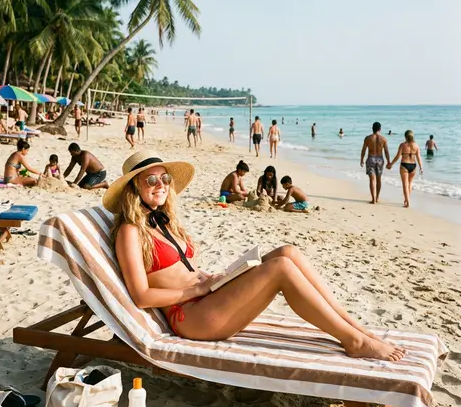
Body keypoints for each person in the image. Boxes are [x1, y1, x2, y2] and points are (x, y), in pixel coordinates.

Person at [104, 150, 405, 361]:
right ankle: (353, 341)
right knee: (281, 269)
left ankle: (356, 326)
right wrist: (197, 288)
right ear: (134, 187)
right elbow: (141, 296)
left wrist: (210, 279)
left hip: (207, 298)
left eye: (164, 179)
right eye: (151, 180)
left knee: (288, 251)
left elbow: (182, 268)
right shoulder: (131, 231)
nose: (161, 186)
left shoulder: (164, 219)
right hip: (191, 316)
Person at [387, 130, 423, 208]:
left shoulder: (402, 145)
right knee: (409, 184)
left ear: (405, 136)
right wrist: (421, 167)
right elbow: (419, 157)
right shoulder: (416, 145)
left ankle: (408, 202)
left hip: (404, 165)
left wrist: (391, 164)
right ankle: (407, 200)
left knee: (405, 185)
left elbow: (397, 156)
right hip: (413, 166)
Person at [360, 122, 390, 204]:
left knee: (372, 180)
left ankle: (373, 199)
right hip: (380, 159)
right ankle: (377, 198)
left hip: (371, 159)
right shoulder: (383, 139)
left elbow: (363, 150)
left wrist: (361, 160)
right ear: (380, 129)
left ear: (372, 128)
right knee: (379, 179)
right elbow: (386, 152)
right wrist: (389, 162)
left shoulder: (368, 138)